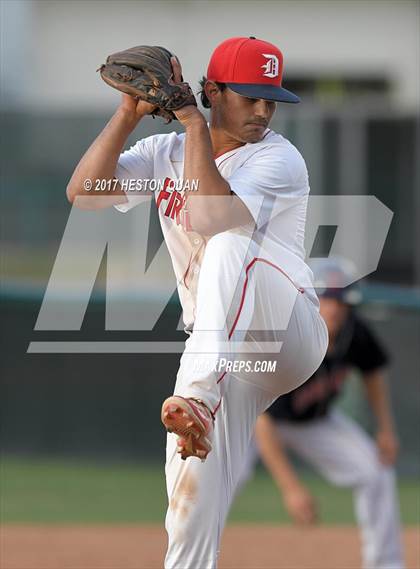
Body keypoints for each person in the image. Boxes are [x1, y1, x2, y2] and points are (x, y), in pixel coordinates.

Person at [67, 36, 328, 569]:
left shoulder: (278, 157)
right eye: (249, 95)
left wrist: (190, 123)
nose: (262, 109)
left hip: (287, 329)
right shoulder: (163, 154)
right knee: (188, 504)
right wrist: (127, 114)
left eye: (270, 98)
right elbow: (85, 193)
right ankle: (198, 407)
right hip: (224, 350)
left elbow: (211, 217)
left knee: (229, 236)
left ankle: (198, 394)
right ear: (211, 90)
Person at [239, 258, 405, 569]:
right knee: (222, 479)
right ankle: (194, 558)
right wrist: (292, 490)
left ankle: (386, 564)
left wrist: (386, 428)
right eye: (327, 298)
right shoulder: (286, 336)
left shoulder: (354, 332)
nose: (335, 307)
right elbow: (264, 422)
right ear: (309, 299)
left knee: (376, 470)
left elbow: (373, 373)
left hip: (314, 422)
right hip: (254, 421)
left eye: (341, 300)